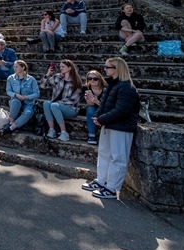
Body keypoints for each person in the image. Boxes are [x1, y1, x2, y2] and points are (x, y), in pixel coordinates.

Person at [81, 57, 141, 199]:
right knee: (104, 153)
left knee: (117, 157)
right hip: (109, 125)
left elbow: (122, 110)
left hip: (121, 127)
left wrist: (102, 119)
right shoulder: (112, 85)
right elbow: (103, 105)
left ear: (117, 69)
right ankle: (101, 181)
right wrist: (97, 116)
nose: (105, 70)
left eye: (108, 67)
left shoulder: (127, 88)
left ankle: (112, 188)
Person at [39, 59, 83, 141]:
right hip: (55, 106)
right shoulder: (57, 77)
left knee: (54, 105)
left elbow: (74, 100)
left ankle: (64, 132)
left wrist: (59, 103)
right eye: (60, 66)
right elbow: (43, 86)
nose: (61, 68)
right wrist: (48, 74)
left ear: (70, 68)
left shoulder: (76, 82)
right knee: (46, 103)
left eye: (63, 66)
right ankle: (51, 130)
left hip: (71, 109)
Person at [2, 60, 40, 134]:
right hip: (15, 101)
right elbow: (8, 91)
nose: (14, 68)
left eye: (17, 67)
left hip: (28, 103)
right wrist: (16, 95)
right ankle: (11, 122)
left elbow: (37, 94)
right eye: (14, 67)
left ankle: (12, 127)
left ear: (23, 68)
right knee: (16, 101)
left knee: (28, 112)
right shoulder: (10, 78)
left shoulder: (31, 79)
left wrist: (27, 97)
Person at [83, 70, 107, 145]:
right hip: (94, 109)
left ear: (100, 79)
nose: (92, 80)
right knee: (90, 109)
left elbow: (107, 106)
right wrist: (88, 100)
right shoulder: (86, 89)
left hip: (105, 108)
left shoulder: (106, 89)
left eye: (95, 79)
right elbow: (90, 104)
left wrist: (97, 101)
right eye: (90, 78)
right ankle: (91, 135)